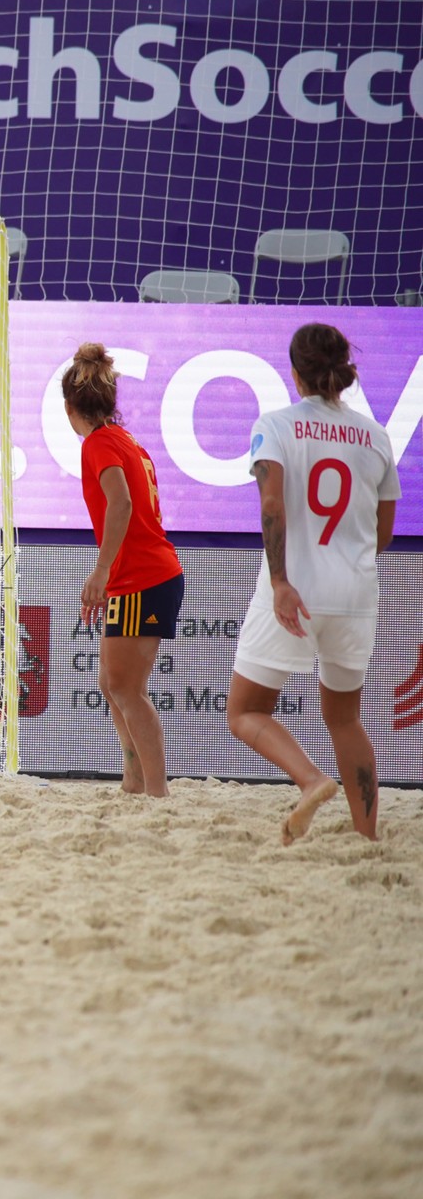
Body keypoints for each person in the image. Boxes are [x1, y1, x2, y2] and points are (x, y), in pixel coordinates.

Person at [227, 323, 400, 844]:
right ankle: (367, 836)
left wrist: (281, 580)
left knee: (246, 710)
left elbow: (272, 503)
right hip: (355, 593)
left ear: (295, 373)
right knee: (345, 719)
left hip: (295, 589)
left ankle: (311, 780)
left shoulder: (276, 425)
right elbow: (383, 533)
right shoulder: (375, 435)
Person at [63, 343, 184, 798]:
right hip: (144, 574)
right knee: (112, 684)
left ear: (70, 408)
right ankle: (135, 781)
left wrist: (101, 572)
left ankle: (156, 791)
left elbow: (122, 503)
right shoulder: (125, 440)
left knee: (127, 689)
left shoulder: (98, 444)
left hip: (143, 577)